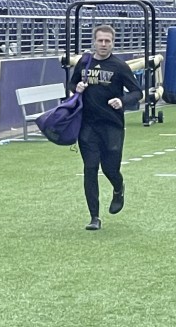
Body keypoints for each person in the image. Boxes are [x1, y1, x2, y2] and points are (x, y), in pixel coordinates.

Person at [69, 24, 142, 231]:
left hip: (112, 126)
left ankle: (118, 188)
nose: (103, 44)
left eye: (107, 41)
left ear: (113, 42)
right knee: (90, 168)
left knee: (110, 169)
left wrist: (122, 100)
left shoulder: (119, 66)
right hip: (88, 125)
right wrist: (77, 88)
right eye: (100, 40)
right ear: (94, 41)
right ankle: (94, 217)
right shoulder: (84, 62)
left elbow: (137, 92)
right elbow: (71, 85)